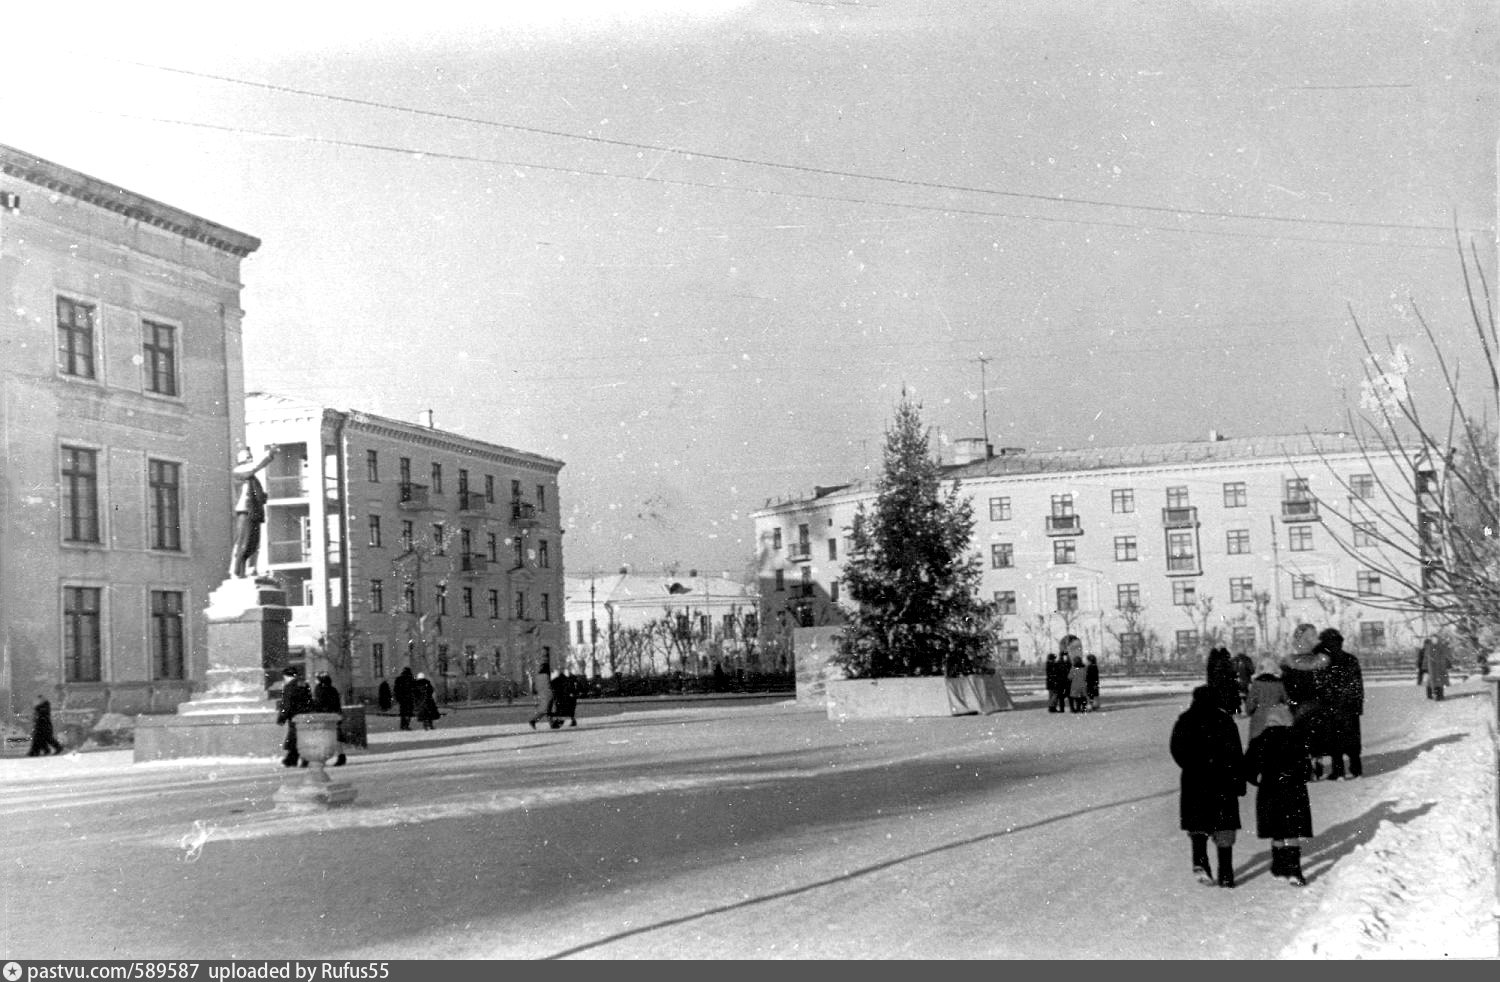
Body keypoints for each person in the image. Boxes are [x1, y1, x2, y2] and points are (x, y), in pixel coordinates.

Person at [1170, 685, 1246, 889]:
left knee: (1198, 825)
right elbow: (1236, 754)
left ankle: (1200, 862)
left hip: (1196, 780)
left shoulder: (1185, 720)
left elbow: (1176, 749)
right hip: (1223, 780)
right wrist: (1239, 781)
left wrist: (1191, 765)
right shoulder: (1225, 720)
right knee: (1224, 828)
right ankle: (1226, 874)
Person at [1244, 704, 1313, 886]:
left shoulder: (1259, 741)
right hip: (1293, 790)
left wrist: (1257, 779)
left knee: (1276, 829)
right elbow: (1306, 770)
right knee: (1292, 830)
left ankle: (1279, 866)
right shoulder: (1297, 739)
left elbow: (1248, 768)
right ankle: (1295, 871)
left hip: (1269, 790)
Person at [1280, 623, 1330, 780]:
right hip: (1308, 704)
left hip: (1303, 704)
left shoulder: (1292, 662)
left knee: (1307, 736)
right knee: (1308, 736)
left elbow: (1285, 683)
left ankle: (1311, 763)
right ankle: (1313, 763)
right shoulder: (1319, 660)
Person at [1319, 628, 1364, 780]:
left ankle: (1338, 771)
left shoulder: (1324, 661)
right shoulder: (1351, 659)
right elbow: (1358, 684)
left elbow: (1321, 685)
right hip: (1350, 706)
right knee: (1352, 739)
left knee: (1335, 739)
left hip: (1331, 706)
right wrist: (1358, 705)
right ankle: (1356, 769)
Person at [229, 445, 276, 579]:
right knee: (244, 541)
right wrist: (268, 455)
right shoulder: (239, 472)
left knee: (253, 542)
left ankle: (249, 569)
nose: (251, 460)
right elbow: (254, 468)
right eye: (248, 457)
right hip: (245, 511)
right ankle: (237, 570)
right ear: (242, 459)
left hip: (254, 512)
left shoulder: (252, 478)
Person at [1244, 657, 1289, 745]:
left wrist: (1250, 711)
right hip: (1276, 715)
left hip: (1259, 716)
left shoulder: (1257, 683)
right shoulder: (1278, 683)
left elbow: (1250, 702)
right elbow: (1286, 699)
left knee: (1257, 743)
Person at [276, 667, 312, 768]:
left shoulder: (289, 687)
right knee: (302, 738)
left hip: (295, 717)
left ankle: (292, 759)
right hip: (305, 716)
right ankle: (299, 759)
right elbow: (309, 700)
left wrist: (282, 717)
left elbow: (286, 704)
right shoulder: (304, 684)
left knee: (295, 738)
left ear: (287, 676)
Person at [311, 672, 348, 767]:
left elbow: (318, 703)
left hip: (324, 717)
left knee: (323, 738)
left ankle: (322, 758)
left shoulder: (319, 689)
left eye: (317, 679)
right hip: (334, 716)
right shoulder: (333, 689)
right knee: (336, 738)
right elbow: (337, 704)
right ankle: (341, 756)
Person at [1206, 647, 1240, 715]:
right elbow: (1232, 672)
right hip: (1228, 683)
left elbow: (1212, 674)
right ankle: (1234, 711)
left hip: (1217, 683)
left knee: (1219, 697)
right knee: (1231, 697)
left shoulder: (1213, 662)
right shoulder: (1228, 662)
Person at [1418, 636, 1451, 701]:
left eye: (1436, 639)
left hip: (1439, 668)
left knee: (1438, 682)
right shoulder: (1430, 647)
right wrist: (1425, 667)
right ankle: (1432, 695)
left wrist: (1446, 664)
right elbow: (1426, 658)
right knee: (1432, 682)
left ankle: (1439, 695)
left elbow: (1446, 656)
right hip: (1432, 669)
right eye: (1434, 640)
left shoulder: (1440, 647)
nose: (1435, 641)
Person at [529, 662, 554, 729]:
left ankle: (550, 723)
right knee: (547, 710)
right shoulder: (547, 676)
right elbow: (550, 685)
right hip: (548, 694)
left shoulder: (537, 677)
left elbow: (534, 687)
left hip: (541, 694)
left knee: (545, 709)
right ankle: (534, 721)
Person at [393, 666, 416, 730]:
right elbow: (415, 689)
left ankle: (403, 725)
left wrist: (397, 698)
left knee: (403, 713)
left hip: (402, 699)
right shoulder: (411, 678)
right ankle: (406, 725)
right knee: (408, 713)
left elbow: (396, 689)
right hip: (409, 699)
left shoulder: (399, 679)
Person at [1232, 650, 1255, 714]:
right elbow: (1252, 671)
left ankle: (1237, 712)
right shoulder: (1247, 660)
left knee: (1236, 697)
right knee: (1246, 697)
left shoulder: (1233, 660)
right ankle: (1249, 711)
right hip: (1245, 681)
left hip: (1236, 681)